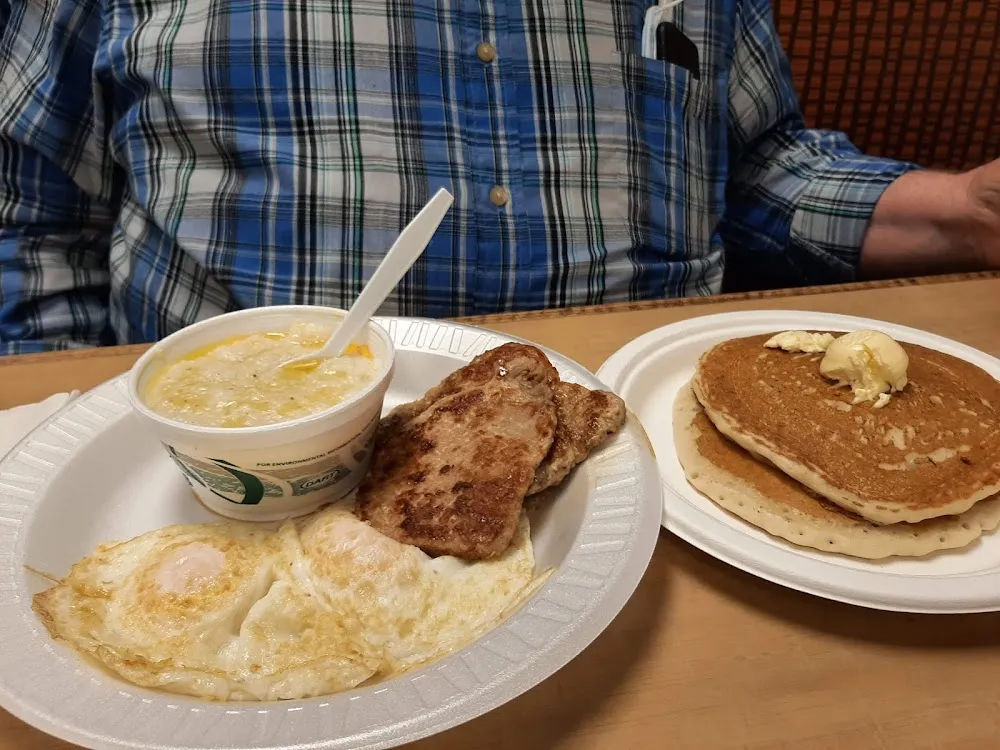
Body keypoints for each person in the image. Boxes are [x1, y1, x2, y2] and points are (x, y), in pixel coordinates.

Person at [0, 0, 997, 354]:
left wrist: (958, 215)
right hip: (240, 482)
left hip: (641, 467)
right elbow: (23, 225)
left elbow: (749, 169)